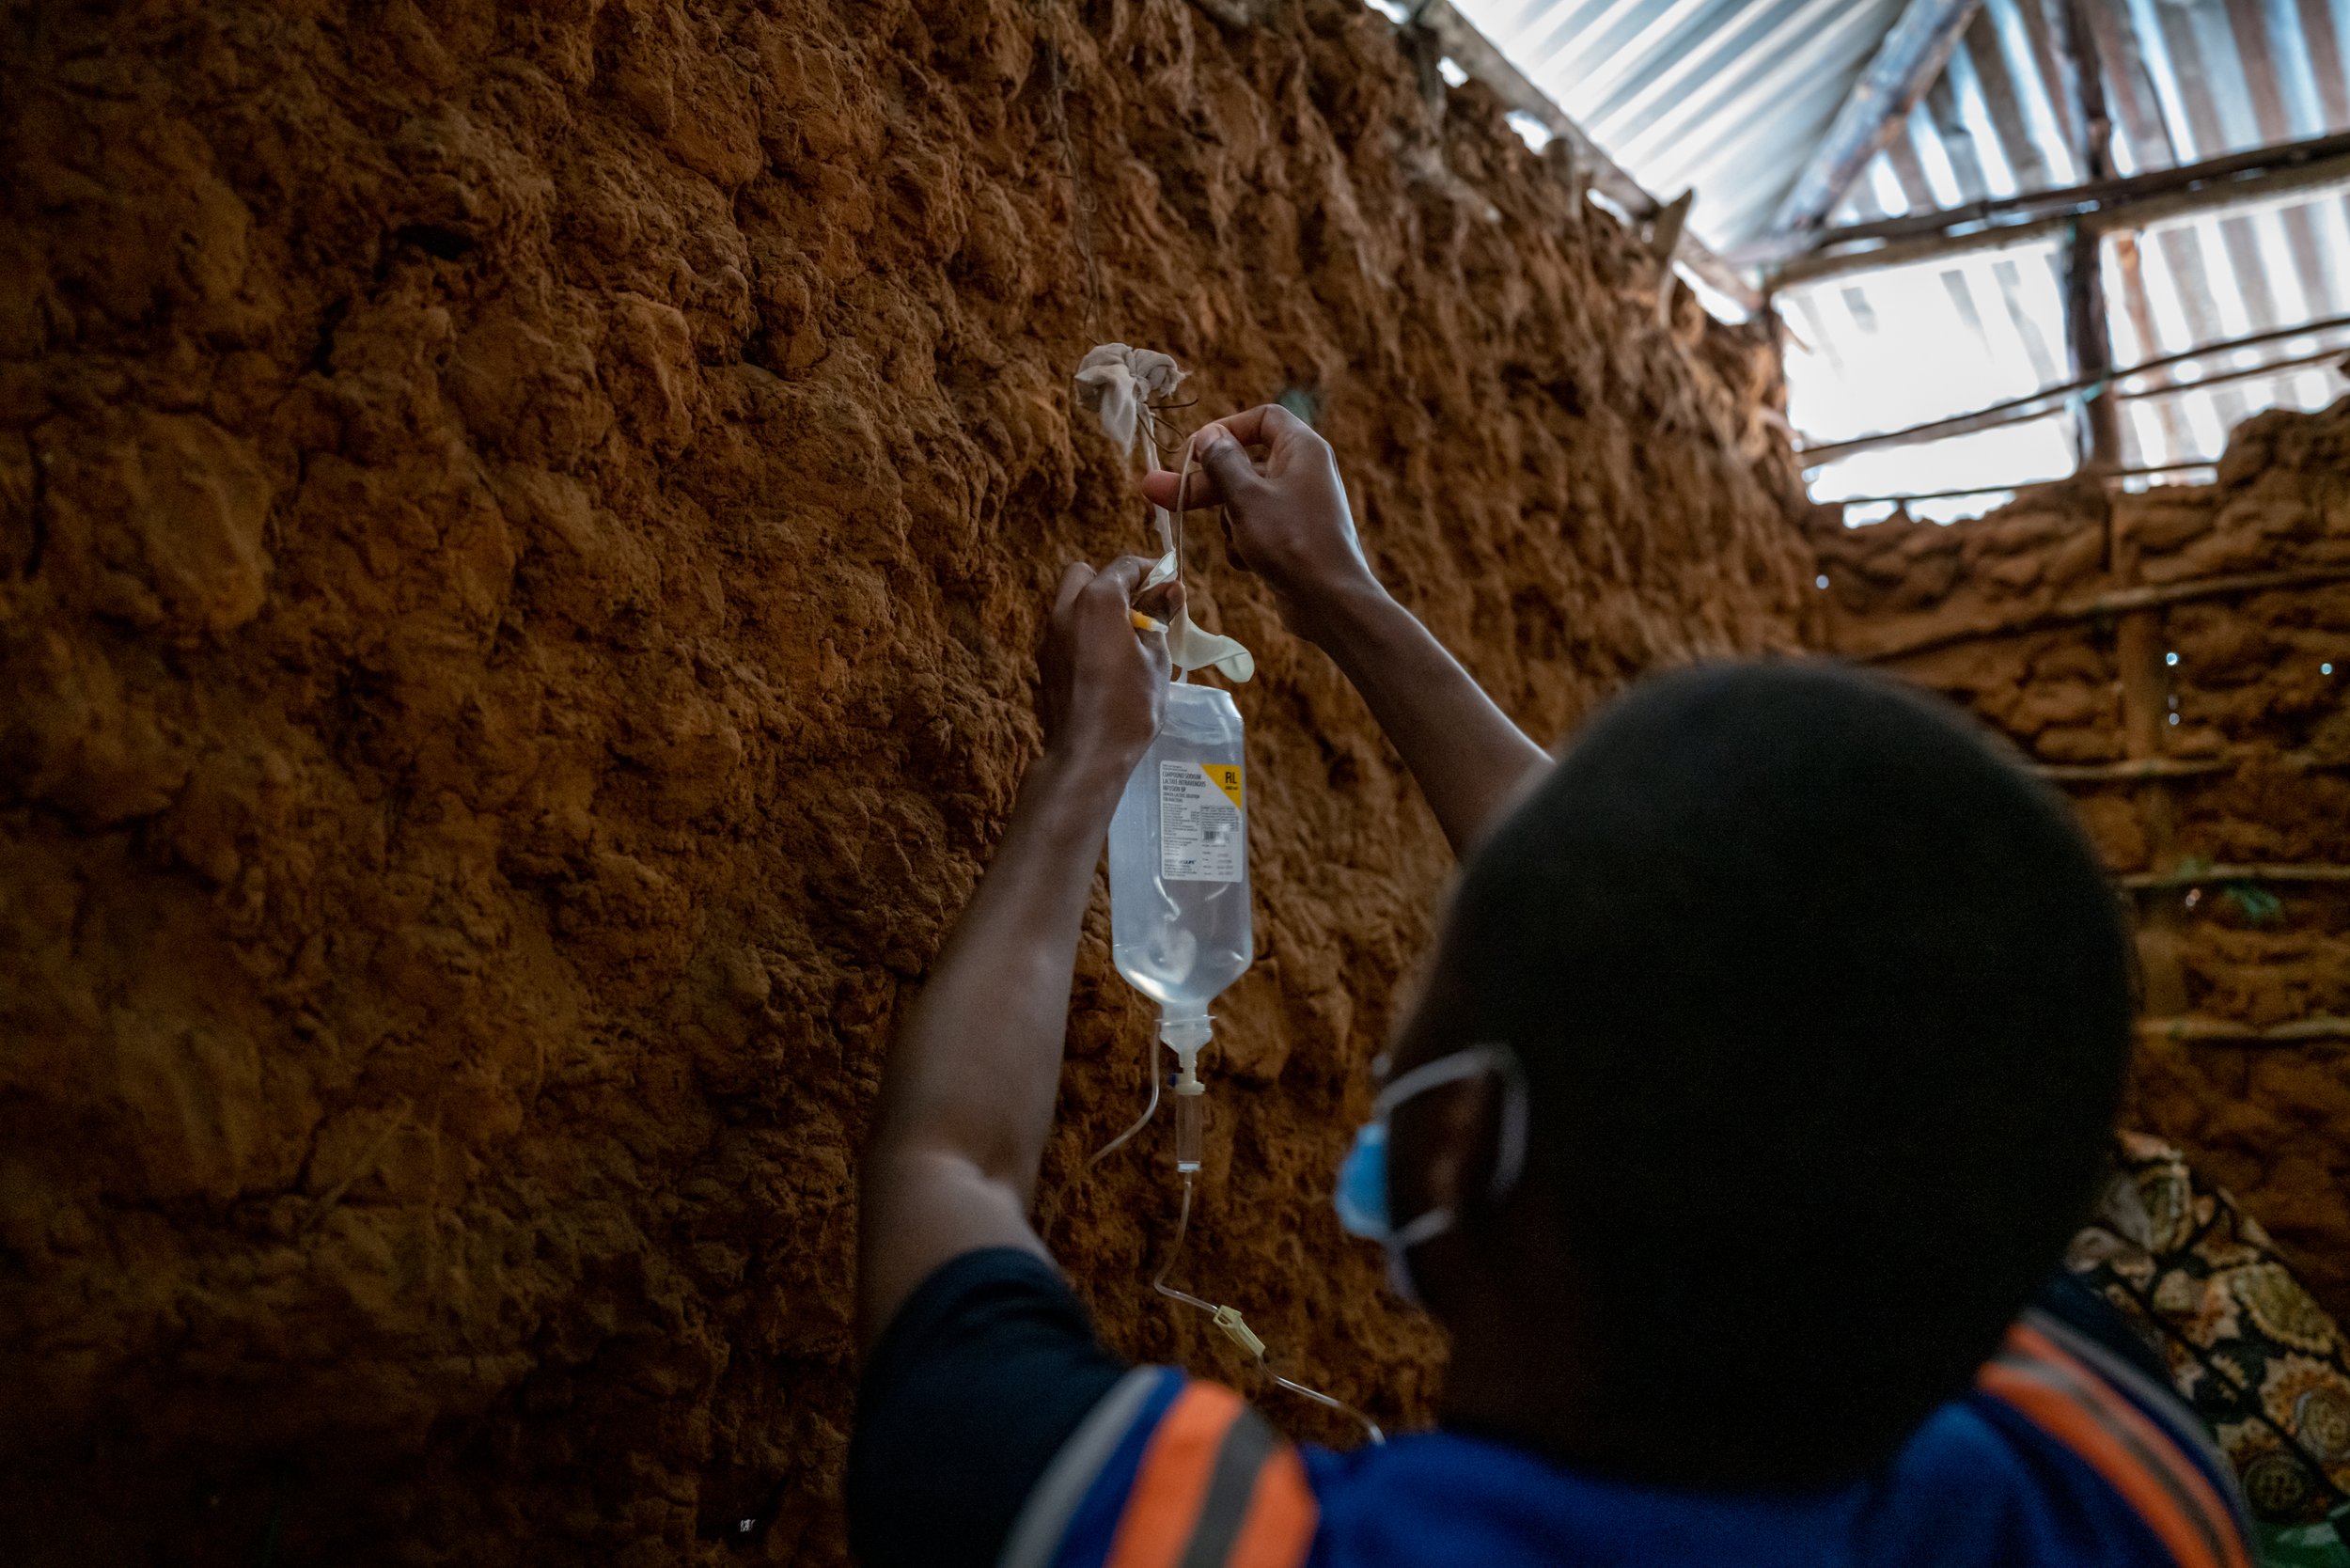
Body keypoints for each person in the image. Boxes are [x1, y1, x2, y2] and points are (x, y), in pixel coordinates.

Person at [845, 406, 2253, 1568]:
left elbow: (948, 1170)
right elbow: (1662, 923)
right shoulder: (2113, 1474)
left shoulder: (1218, 1542)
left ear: (1456, 1146)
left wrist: (1086, 768)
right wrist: (1340, 591)